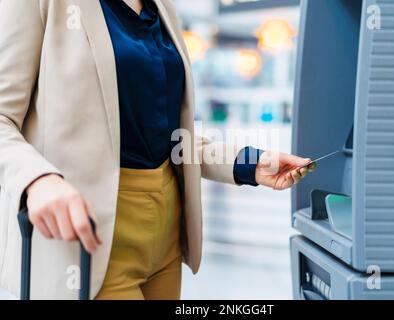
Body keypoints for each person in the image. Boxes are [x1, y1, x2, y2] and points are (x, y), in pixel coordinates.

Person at [0, 0, 314, 299]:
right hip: (88, 238)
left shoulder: (162, 9)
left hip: (167, 234)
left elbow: (169, 136)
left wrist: (250, 164)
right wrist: (37, 179)